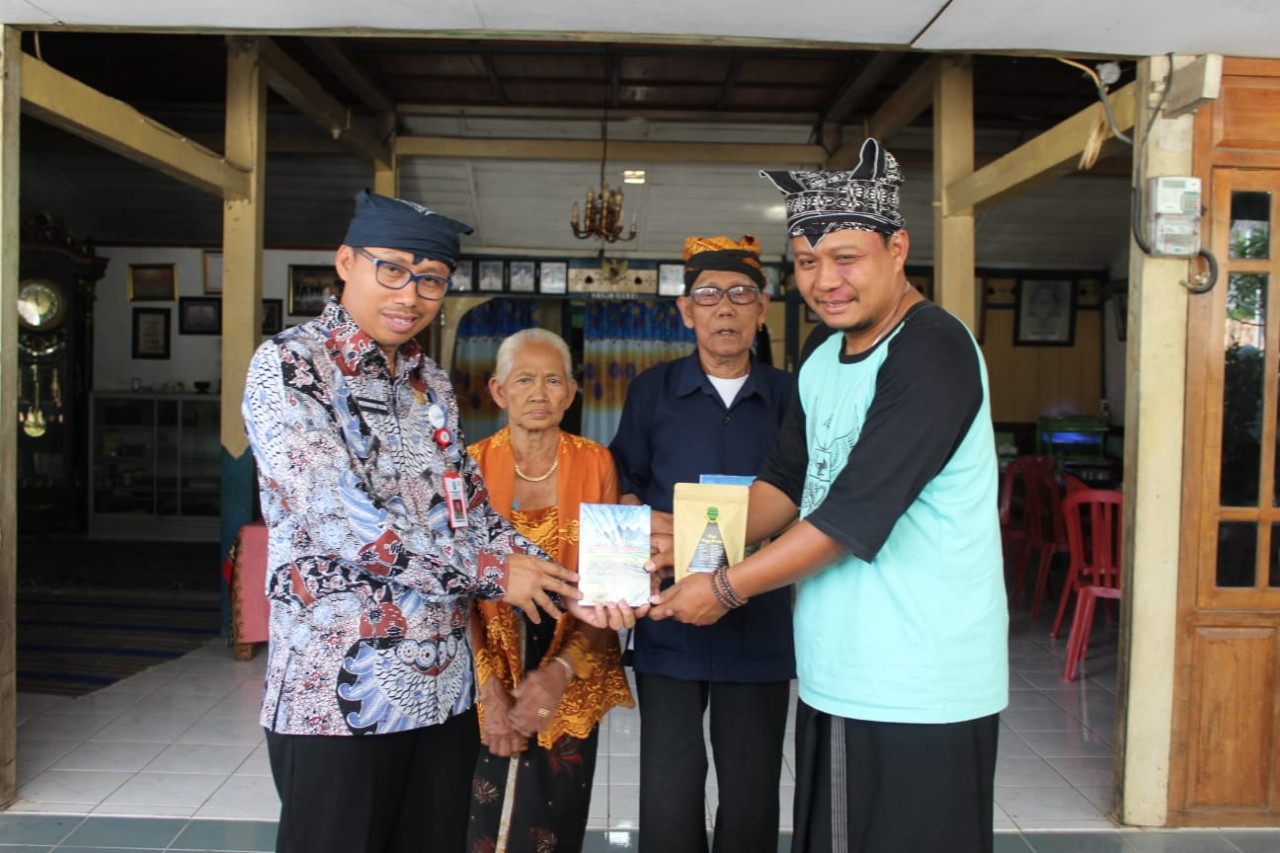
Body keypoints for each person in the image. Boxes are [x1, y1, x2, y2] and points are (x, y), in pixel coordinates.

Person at [649, 138, 1008, 853]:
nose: (825, 280)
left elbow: (848, 517)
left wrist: (721, 585)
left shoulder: (932, 350)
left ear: (897, 247)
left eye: (846, 257)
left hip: (918, 680)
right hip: (837, 669)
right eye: (808, 261)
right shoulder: (822, 352)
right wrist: (686, 536)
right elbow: (787, 480)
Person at [242, 189, 599, 853]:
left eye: (430, 278)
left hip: (441, 696)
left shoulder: (428, 383)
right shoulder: (290, 366)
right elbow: (341, 521)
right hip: (335, 696)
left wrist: (572, 583)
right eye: (393, 270)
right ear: (346, 262)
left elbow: (468, 511)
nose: (410, 294)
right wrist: (497, 571)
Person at [609, 234, 796, 853]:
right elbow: (626, 481)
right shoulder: (653, 390)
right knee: (669, 779)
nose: (725, 308)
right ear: (686, 311)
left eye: (741, 294)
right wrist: (650, 525)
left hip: (758, 611)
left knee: (751, 784)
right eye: (709, 295)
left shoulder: (793, 396)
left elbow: (810, 497)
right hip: (671, 617)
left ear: (761, 307)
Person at [466, 328, 636, 853]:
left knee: (550, 825)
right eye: (524, 380)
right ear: (498, 392)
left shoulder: (597, 463)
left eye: (552, 381)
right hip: (481, 655)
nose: (539, 393)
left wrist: (558, 674)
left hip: (572, 657)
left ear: (570, 393)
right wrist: (489, 689)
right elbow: (452, 590)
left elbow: (613, 586)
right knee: (477, 817)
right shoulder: (467, 467)